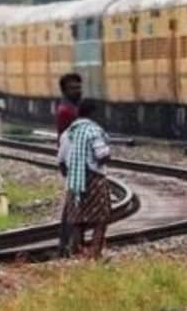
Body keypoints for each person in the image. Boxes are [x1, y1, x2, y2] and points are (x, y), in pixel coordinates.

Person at [59, 98, 112, 260]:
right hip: (94, 178)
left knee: (77, 219)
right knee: (101, 218)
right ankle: (95, 254)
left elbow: (61, 161)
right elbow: (102, 155)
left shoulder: (67, 133)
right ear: (93, 113)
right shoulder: (94, 131)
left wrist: (72, 176)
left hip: (74, 181)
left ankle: (77, 252)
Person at [55, 72, 83, 256]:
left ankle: (68, 244)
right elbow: (65, 138)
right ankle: (68, 245)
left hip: (76, 161)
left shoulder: (71, 108)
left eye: (79, 87)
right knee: (74, 205)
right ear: (64, 90)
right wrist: (64, 163)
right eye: (73, 88)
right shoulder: (66, 111)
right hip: (74, 161)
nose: (78, 91)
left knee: (74, 204)